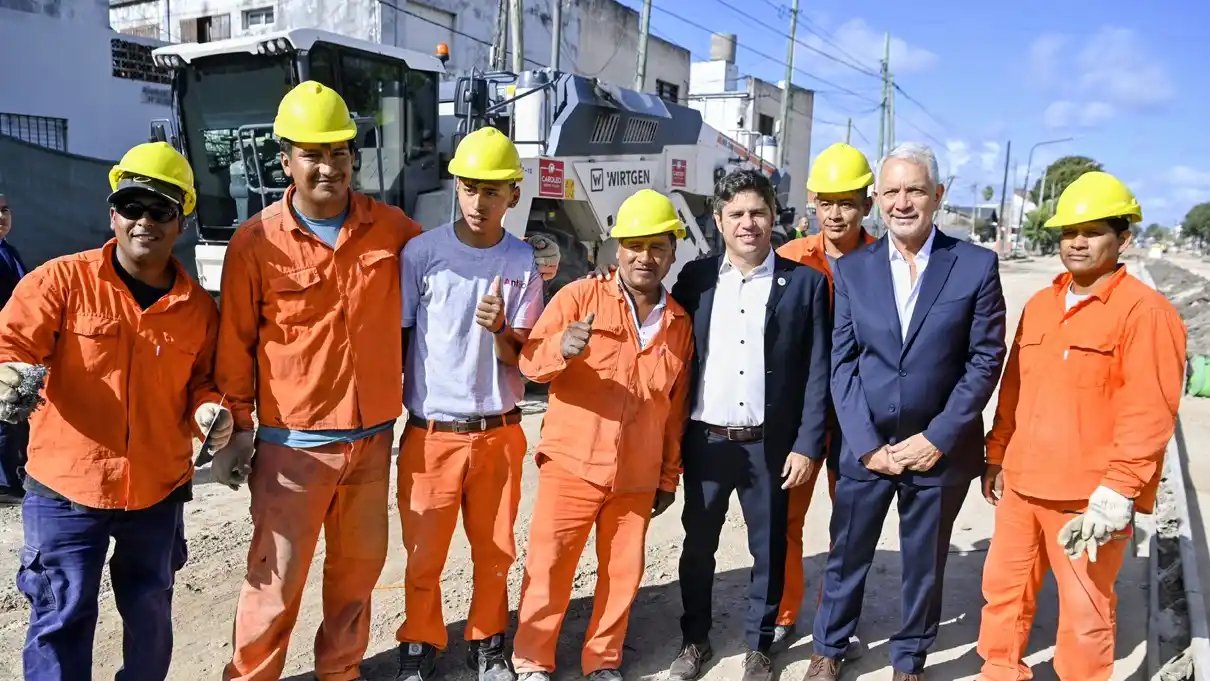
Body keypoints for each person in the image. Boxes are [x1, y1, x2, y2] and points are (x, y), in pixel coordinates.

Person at [213, 81, 423, 681]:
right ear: (286, 162)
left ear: (354, 158)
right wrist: (237, 432)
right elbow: (236, 347)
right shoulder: (256, 243)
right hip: (292, 449)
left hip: (372, 439)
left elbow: (446, 269)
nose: (327, 166)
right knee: (274, 586)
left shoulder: (392, 230)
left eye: (338, 152)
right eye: (312, 153)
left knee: (356, 577)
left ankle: (340, 673)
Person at [0, 142, 230, 680]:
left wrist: (211, 414)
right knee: (61, 616)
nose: (144, 220)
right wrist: (7, 372)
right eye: (131, 207)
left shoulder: (197, 309)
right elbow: (12, 343)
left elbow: (207, 383)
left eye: (160, 210)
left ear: (182, 220)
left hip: (156, 489)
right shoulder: (61, 282)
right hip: (66, 488)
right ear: (113, 214)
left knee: (150, 612)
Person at [805, 142, 1007, 681]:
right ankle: (828, 647)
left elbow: (985, 360)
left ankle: (910, 658)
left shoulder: (975, 266)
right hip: (865, 448)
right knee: (847, 554)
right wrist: (868, 445)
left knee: (924, 562)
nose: (902, 202)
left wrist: (938, 437)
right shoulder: (852, 270)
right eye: (891, 191)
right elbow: (841, 364)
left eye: (914, 189)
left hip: (938, 451)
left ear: (938, 196)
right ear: (877, 199)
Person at [977, 173, 1186, 681]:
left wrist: (1118, 489)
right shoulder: (1043, 304)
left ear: (1124, 239)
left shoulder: (1145, 312)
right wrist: (997, 453)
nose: (1076, 241)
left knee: (1086, 611)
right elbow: (1015, 388)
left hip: (1087, 500)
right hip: (1023, 487)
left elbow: (1150, 411)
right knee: (1003, 593)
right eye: (1069, 231)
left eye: (1092, 231)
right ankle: (1000, 671)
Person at [511, 189, 694, 681]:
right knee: (549, 567)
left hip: (636, 474)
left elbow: (674, 410)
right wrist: (560, 348)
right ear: (618, 249)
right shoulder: (579, 297)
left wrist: (667, 476)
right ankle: (532, 660)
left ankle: (603, 661)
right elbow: (529, 360)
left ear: (673, 252)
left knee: (621, 575)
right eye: (634, 245)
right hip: (572, 464)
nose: (645, 257)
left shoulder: (678, 324)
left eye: (657, 246)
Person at [667, 169, 832, 681]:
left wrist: (807, 445)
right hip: (707, 441)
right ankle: (695, 639)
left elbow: (818, 372)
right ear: (718, 221)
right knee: (698, 545)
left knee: (769, 547)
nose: (747, 223)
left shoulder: (805, 286)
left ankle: (760, 645)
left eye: (757, 213)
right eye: (736, 214)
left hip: (769, 446)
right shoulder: (695, 280)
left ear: (773, 217)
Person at [394, 126, 546, 681]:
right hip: (431, 432)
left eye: (493, 190)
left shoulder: (522, 262)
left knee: (495, 550)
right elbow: (404, 337)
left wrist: (502, 328)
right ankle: (420, 642)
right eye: (470, 187)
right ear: (456, 186)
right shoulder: (422, 254)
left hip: (499, 431)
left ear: (513, 194)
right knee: (423, 554)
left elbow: (521, 358)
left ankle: (487, 643)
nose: (480, 201)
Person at [773, 142, 877, 648]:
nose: (837, 213)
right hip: (802, 417)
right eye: (827, 202)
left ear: (866, 205)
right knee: (786, 520)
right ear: (813, 202)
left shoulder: (886, 262)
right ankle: (785, 609)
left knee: (850, 525)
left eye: (849, 202)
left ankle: (837, 620)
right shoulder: (789, 260)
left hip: (862, 417)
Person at [0, 193, 30, 504]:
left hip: (16, 343)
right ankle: (5, 482)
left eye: (5, 210)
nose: (1, 217)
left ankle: (14, 476)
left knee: (15, 414)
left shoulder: (9, 252)